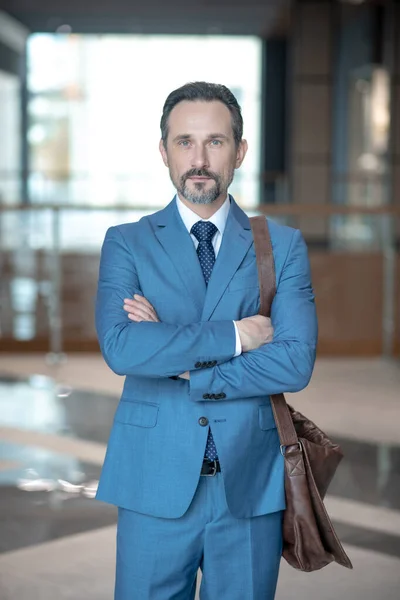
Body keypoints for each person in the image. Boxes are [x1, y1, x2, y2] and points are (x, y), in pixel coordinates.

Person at [95, 81, 318, 600]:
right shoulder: (126, 243)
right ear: (163, 151)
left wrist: (186, 366)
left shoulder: (281, 246)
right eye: (184, 142)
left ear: (240, 151)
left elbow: (294, 361)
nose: (199, 159)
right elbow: (123, 348)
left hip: (249, 482)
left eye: (215, 142)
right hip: (152, 477)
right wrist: (238, 335)